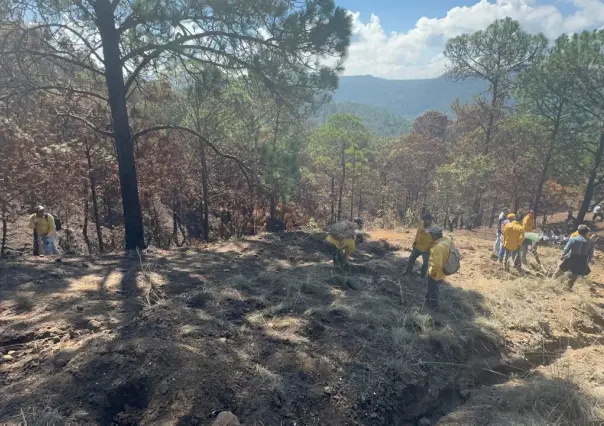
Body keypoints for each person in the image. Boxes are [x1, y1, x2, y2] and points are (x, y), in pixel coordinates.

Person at [554, 225, 595, 290]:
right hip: (582, 259)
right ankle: (569, 286)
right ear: (586, 232)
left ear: (578, 231)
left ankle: (552, 280)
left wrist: (563, 255)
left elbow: (566, 248)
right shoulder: (590, 242)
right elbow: (591, 253)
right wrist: (589, 260)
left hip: (572, 256)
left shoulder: (573, 239)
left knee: (561, 268)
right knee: (575, 273)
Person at [426, 226, 452, 310]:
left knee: (434, 290)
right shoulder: (447, 241)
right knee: (432, 288)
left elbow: (436, 265)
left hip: (435, 274)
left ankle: (435, 308)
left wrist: (430, 272)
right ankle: (426, 300)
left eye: (431, 235)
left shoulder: (438, 247)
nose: (430, 237)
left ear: (435, 235)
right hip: (442, 272)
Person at [404, 213, 435, 277]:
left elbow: (435, 241)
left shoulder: (434, 229)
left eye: (428, 220)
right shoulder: (421, 224)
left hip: (427, 249)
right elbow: (418, 233)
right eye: (424, 220)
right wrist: (415, 242)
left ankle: (422, 275)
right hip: (417, 246)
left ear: (430, 220)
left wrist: (431, 249)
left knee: (425, 264)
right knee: (411, 258)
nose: (425, 221)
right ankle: (408, 272)